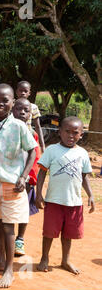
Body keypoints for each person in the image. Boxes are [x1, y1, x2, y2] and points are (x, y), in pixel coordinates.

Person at [0, 84, 37, 288]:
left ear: (12, 102)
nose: (0, 104)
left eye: (5, 100)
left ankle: (9, 271)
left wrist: (23, 176)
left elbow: (32, 151)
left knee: (9, 226)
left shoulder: (19, 126)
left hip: (12, 183)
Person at [36, 116, 95, 275]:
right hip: (53, 200)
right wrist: (38, 194)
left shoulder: (82, 153)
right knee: (49, 232)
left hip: (74, 202)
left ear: (81, 135)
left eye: (75, 133)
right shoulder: (52, 150)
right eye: (67, 132)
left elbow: (84, 177)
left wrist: (90, 195)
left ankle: (65, 260)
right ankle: (44, 258)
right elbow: (42, 173)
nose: (71, 135)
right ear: (59, 132)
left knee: (68, 234)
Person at [12, 98, 41, 256]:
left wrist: (30, 179)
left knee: (24, 211)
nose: (22, 113)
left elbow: (35, 159)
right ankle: (5, 243)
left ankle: (20, 239)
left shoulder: (33, 134)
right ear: (12, 110)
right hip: (8, 180)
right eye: (18, 109)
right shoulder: (6, 130)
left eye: (26, 110)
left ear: (31, 114)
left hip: (26, 181)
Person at [15, 80, 46, 153]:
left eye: (25, 91)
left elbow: (38, 126)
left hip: (28, 139)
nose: (23, 93)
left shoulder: (33, 107)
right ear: (16, 92)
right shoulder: (12, 106)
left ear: (29, 93)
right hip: (14, 138)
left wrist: (42, 145)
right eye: (20, 91)